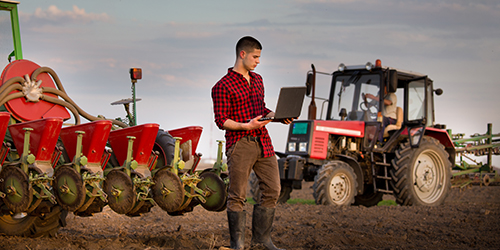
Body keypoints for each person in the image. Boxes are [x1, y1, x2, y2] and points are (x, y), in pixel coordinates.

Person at [212, 36, 290, 250]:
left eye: (260, 57)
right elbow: (221, 120)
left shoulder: (258, 80)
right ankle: (237, 244)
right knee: (238, 195)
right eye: (255, 57)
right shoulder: (221, 86)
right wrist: (246, 126)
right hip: (240, 143)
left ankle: (262, 240)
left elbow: (261, 109)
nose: (258, 61)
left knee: (273, 189)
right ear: (242, 54)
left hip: (263, 141)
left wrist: (277, 116)